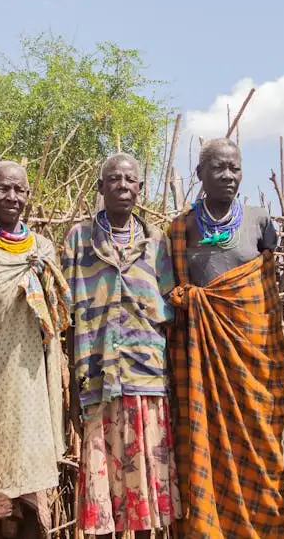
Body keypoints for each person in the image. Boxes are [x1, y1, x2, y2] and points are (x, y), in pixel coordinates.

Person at [165, 139, 284, 539]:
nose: (228, 176)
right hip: (203, 365)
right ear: (200, 174)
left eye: (235, 168)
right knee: (207, 451)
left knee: (261, 454)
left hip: (254, 360)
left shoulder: (259, 221)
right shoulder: (181, 228)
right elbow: (172, 293)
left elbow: (268, 292)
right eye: (218, 168)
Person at [62, 153, 181, 539]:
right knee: (102, 494)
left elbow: (170, 313)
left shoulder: (157, 245)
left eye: (130, 180)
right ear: (100, 188)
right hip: (97, 379)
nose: (123, 186)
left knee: (144, 490)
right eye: (114, 179)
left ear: (140, 189)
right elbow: (66, 313)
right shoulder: (80, 241)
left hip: (146, 379)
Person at [0, 161, 71, 539]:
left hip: (27, 384)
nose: (13, 197)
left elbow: (58, 315)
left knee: (29, 495)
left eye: (20, 190)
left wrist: (41, 277)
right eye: (3, 189)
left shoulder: (43, 248)